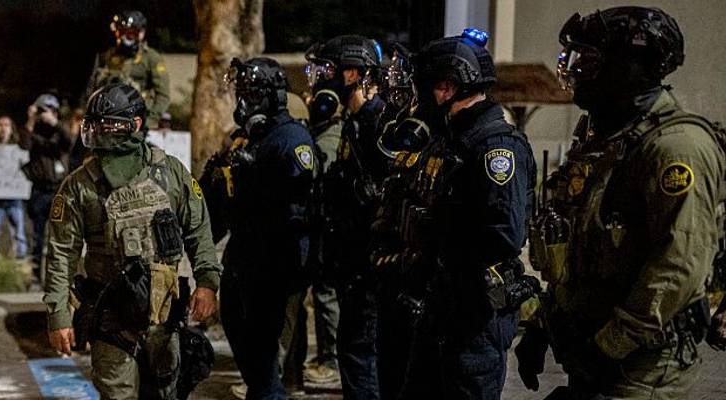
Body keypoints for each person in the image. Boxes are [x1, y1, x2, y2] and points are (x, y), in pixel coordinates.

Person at [518, 7, 724, 399]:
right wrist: (546, 324)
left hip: (642, 367)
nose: (577, 70)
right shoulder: (607, 140)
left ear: (631, 68)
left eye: (591, 61)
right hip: (596, 351)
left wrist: (606, 347)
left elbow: (677, 267)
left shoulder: (675, 148)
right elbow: (583, 249)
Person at [379, 29, 537, 398]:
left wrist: (441, 230)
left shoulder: (495, 147)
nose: (418, 98)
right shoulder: (451, 139)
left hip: (473, 319)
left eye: (424, 87)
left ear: (447, 88)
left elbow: (504, 235)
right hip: (440, 308)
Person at [43, 83, 221, 399]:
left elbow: (198, 230)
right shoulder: (80, 186)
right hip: (110, 318)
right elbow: (60, 254)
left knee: (165, 391)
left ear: (135, 124)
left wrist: (207, 282)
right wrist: (58, 314)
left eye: (109, 123)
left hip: (164, 317)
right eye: (96, 123)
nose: (100, 131)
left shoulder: (171, 173)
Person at [217, 57, 317, 400]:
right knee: (237, 327)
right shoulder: (249, 137)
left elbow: (299, 197)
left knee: (262, 349)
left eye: (250, 93)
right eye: (240, 93)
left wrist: (256, 172)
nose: (242, 102)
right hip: (244, 254)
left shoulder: (290, 138)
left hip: (273, 259)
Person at [306, 35, 388, 398]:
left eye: (327, 70)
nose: (321, 78)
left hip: (368, 264)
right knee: (352, 352)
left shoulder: (376, 124)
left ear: (352, 74)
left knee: (361, 355)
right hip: (351, 259)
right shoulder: (354, 122)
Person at [86, 10, 170, 125]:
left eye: (131, 33)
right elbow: (92, 88)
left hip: (137, 121)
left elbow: (163, 95)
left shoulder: (151, 58)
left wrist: (149, 122)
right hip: (107, 121)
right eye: (121, 32)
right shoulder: (106, 57)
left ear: (141, 34)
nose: (125, 38)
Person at [20, 93, 72, 278]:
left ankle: (58, 273)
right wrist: (31, 119)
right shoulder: (34, 131)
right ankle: (35, 273)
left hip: (58, 190)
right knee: (37, 234)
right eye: (41, 110)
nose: (44, 114)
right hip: (39, 191)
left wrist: (54, 122)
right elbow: (24, 145)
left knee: (59, 234)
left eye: (47, 110)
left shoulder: (59, 131)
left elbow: (69, 142)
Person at [0, 115, 28, 259]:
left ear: (11, 129)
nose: (3, 128)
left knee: (19, 232)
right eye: (0, 125)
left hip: (14, 197)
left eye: (6, 125)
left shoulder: (19, 149)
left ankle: (21, 262)